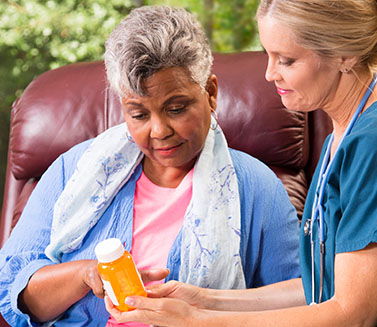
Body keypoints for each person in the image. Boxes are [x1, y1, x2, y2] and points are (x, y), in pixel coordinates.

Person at [104, 0, 377, 326]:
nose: (269, 73)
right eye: (269, 55)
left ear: (344, 55)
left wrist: (196, 321)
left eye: (287, 60)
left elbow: (353, 315)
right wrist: (203, 299)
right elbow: (320, 289)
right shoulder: (345, 132)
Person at [0, 5, 301, 327]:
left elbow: (297, 301)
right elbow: (11, 295)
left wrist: (205, 312)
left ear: (210, 93)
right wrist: (86, 274)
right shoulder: (71, 171)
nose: (159, 131)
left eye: (176, 108)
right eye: (139, 114)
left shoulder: (256, 187)